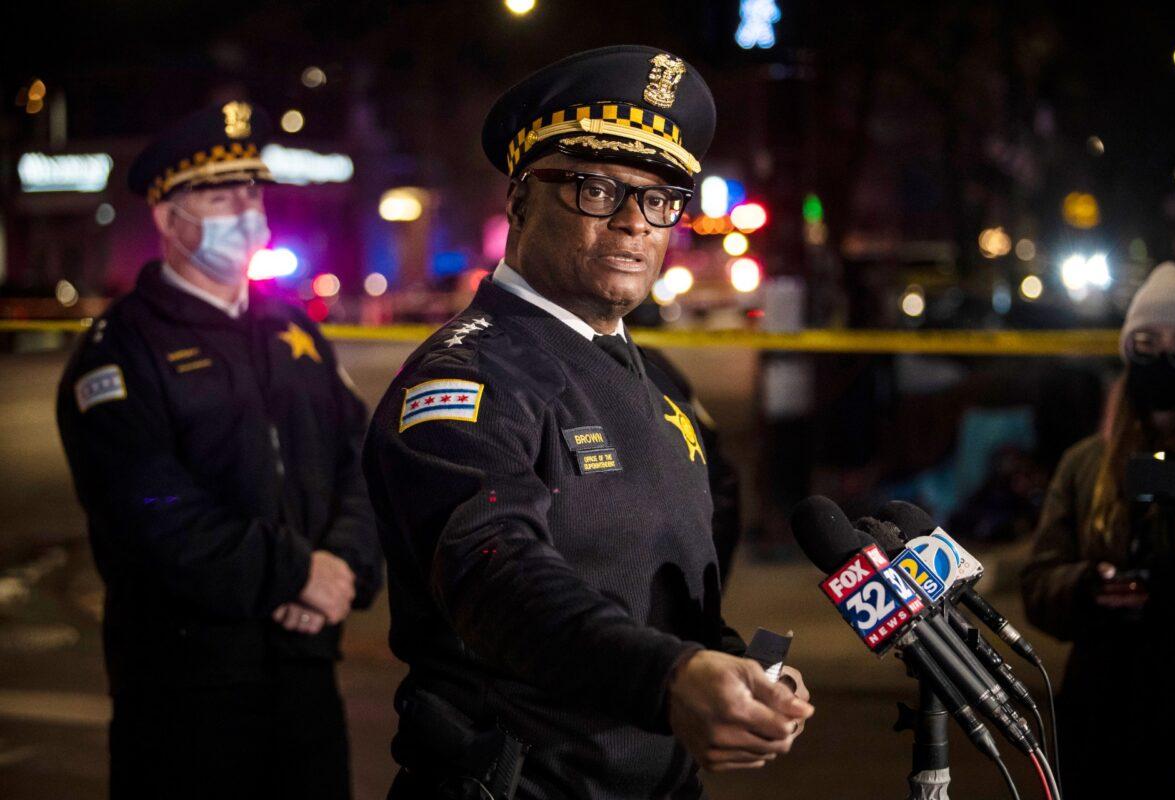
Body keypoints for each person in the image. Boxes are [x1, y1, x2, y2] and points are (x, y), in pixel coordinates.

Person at [363, 46, 813, 800]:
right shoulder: (467, 378)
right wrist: (670, 676)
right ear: (517, 200)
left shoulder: (653, 378)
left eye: (661, 198)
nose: (635, 223)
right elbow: (499, 577)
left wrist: (733, 666)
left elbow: (651, 590)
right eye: (596, 190)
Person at [56, 101, 382, 800]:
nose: (247, 206)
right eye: (219, 192)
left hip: (305, 673)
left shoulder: (293, 330)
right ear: (169, 218)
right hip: (184, 690)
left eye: (252, 190)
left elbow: (359, 459)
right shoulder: (121, 350)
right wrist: (296, 573)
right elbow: (150, 514)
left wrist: (344, 564)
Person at [1021, 262, 1175, 798]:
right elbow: (1039, 582)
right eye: (1146, 343)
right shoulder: (1087, 464)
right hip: (1101, 715)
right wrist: (1087, 585)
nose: (1163, 359)